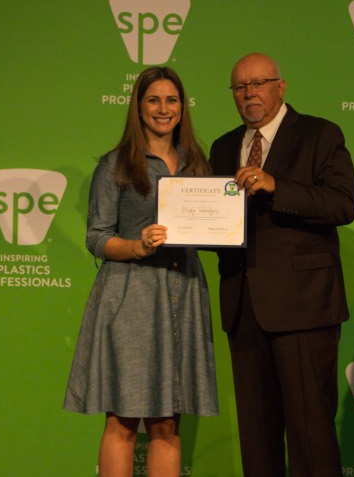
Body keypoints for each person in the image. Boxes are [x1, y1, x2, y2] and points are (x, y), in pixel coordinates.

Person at [64, 66, 218, 477]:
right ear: (138, 106)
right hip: (130, 296)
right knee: (123, 421)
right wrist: (138, 245)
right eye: (153, 100)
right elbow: (97, 238)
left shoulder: (197, 163)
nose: (163, 109)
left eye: (171, 100)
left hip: (183, 293)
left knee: (167, 424)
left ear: (183, 107)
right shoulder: (115, 164)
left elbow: (213, 227)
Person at [209, 53, 354, 476]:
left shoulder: (319, 134)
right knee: (257, 439)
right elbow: (218, 222)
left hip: (304, 308)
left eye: (259, 83)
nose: (249, 93)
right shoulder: (223, 146)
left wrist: (277, 186)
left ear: (281, 86)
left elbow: (343, 204)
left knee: (311, 434)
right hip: (243, 308)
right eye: (240, 87)